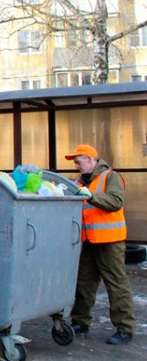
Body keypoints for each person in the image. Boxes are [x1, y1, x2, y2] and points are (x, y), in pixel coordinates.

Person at [65, 144, 136, 345]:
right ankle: (80, 321)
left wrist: (91, 195)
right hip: (88, 240)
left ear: (90, 159)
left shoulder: (110, 177)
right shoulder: (80, 182)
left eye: (78, 162)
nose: (76, 166)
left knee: (116, 284)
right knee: (84, 283)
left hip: (109, 241)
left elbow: (115, 201)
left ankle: (125, 329)